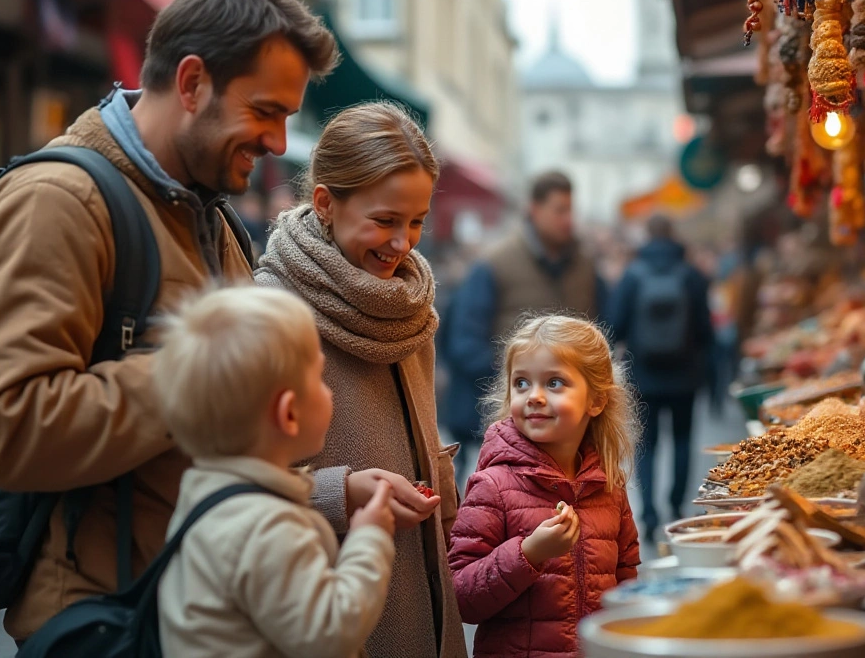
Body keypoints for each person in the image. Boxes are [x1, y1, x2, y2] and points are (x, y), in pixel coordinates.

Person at [0, 0, 338, 642]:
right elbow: (8, 428)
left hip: (195, 609)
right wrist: (211, 369)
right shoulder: (57, 202)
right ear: (192, 82)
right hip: (112, 621)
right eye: (265, 111)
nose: (280, 142)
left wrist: (331, 496)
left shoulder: (211, 210)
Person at [255, 101, 468, 658]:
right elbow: (236, 486)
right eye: (385, 220)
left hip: (428, 594)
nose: (403, 244)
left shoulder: (411, 303)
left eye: (417, 221)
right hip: (331, 601)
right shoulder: (270, 312)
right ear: (325, 202)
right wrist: (339, 493)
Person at [154, 285, 396, 657]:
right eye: (320, 378)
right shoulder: (267, 527)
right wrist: (369, 540)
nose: (329, 392)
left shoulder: (207, 497)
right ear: (288, 413)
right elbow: (329, 632)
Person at [448, 315, 642, 657]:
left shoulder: (609, 486)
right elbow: (461, 598)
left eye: (554, 383)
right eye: (521, 383)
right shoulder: (493, 485)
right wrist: (528, 554)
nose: (534, 396)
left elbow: (626, 580)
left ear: (596, 401)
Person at [442, 170, 607, 481]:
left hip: (570, 429)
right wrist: (521, 383)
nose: (567, 219)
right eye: (559, 210)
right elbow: (464, 343)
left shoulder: (585, 266)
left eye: (571, 210)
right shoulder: (495, 264)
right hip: (506, 425)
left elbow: (602, 329)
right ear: (535, 209)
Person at [609, 214, 713, 538]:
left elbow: (615, 325)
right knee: (682, 440)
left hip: (644, 376)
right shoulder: (691, 275)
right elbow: (705, 329)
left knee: (647, 445)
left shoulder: (633, 275)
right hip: (685, 376)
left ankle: (650, 515)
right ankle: (676, 506)